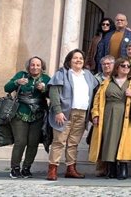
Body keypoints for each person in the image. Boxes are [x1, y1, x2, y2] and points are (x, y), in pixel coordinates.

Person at [46, 49, 99, 181]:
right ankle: (53, 169)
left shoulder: (87, 75)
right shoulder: (62, 73)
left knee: (73, 143)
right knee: (59, 141)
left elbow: (98, 88)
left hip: (82, 114)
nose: (78, 60)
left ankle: (71, 169)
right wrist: (57, 111)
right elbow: (53, 93)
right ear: (69, 61)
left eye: (81, 58)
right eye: (75, 58)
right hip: (64, 113)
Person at [89, 57, 131, 180]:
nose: (126, 68)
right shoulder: (106, 82)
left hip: (125, 114)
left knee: (124, 141)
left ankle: (123, 168)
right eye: (123, 66)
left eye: (128, 66)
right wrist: (95, 114)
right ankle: (110, 168)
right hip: (108, 113)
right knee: (109, 139)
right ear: (117, 67)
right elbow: (97, 100)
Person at [5, 56, 51, 178]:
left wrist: (44, 89)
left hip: (38, 114)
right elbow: (6, 88)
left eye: (38, 65)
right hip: (20, 113)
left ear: (42, 67)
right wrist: (16, 82)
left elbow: (52, 94)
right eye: (32, 65)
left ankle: (26, 168)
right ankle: (15, 168)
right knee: (20, 141)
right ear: (28, 66)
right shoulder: (21, 75)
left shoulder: (46, 78)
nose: (35, 67)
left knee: (33, 142)